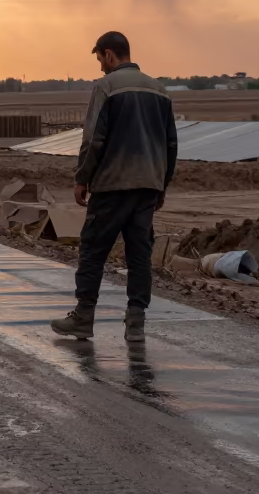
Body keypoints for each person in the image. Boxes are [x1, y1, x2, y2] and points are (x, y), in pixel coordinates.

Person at [51, 31, 178, 343]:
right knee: (139, 255)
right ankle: (136, 324)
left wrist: (82, 178)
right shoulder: (160, 90)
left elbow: (93, 139)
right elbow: (170, 144)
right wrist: (161, 186)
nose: (100, 68)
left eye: (100, 60)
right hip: (148, 185)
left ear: (109, 54)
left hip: (112, 185)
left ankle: (83, 317)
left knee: (93, 250)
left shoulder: (106, 88)